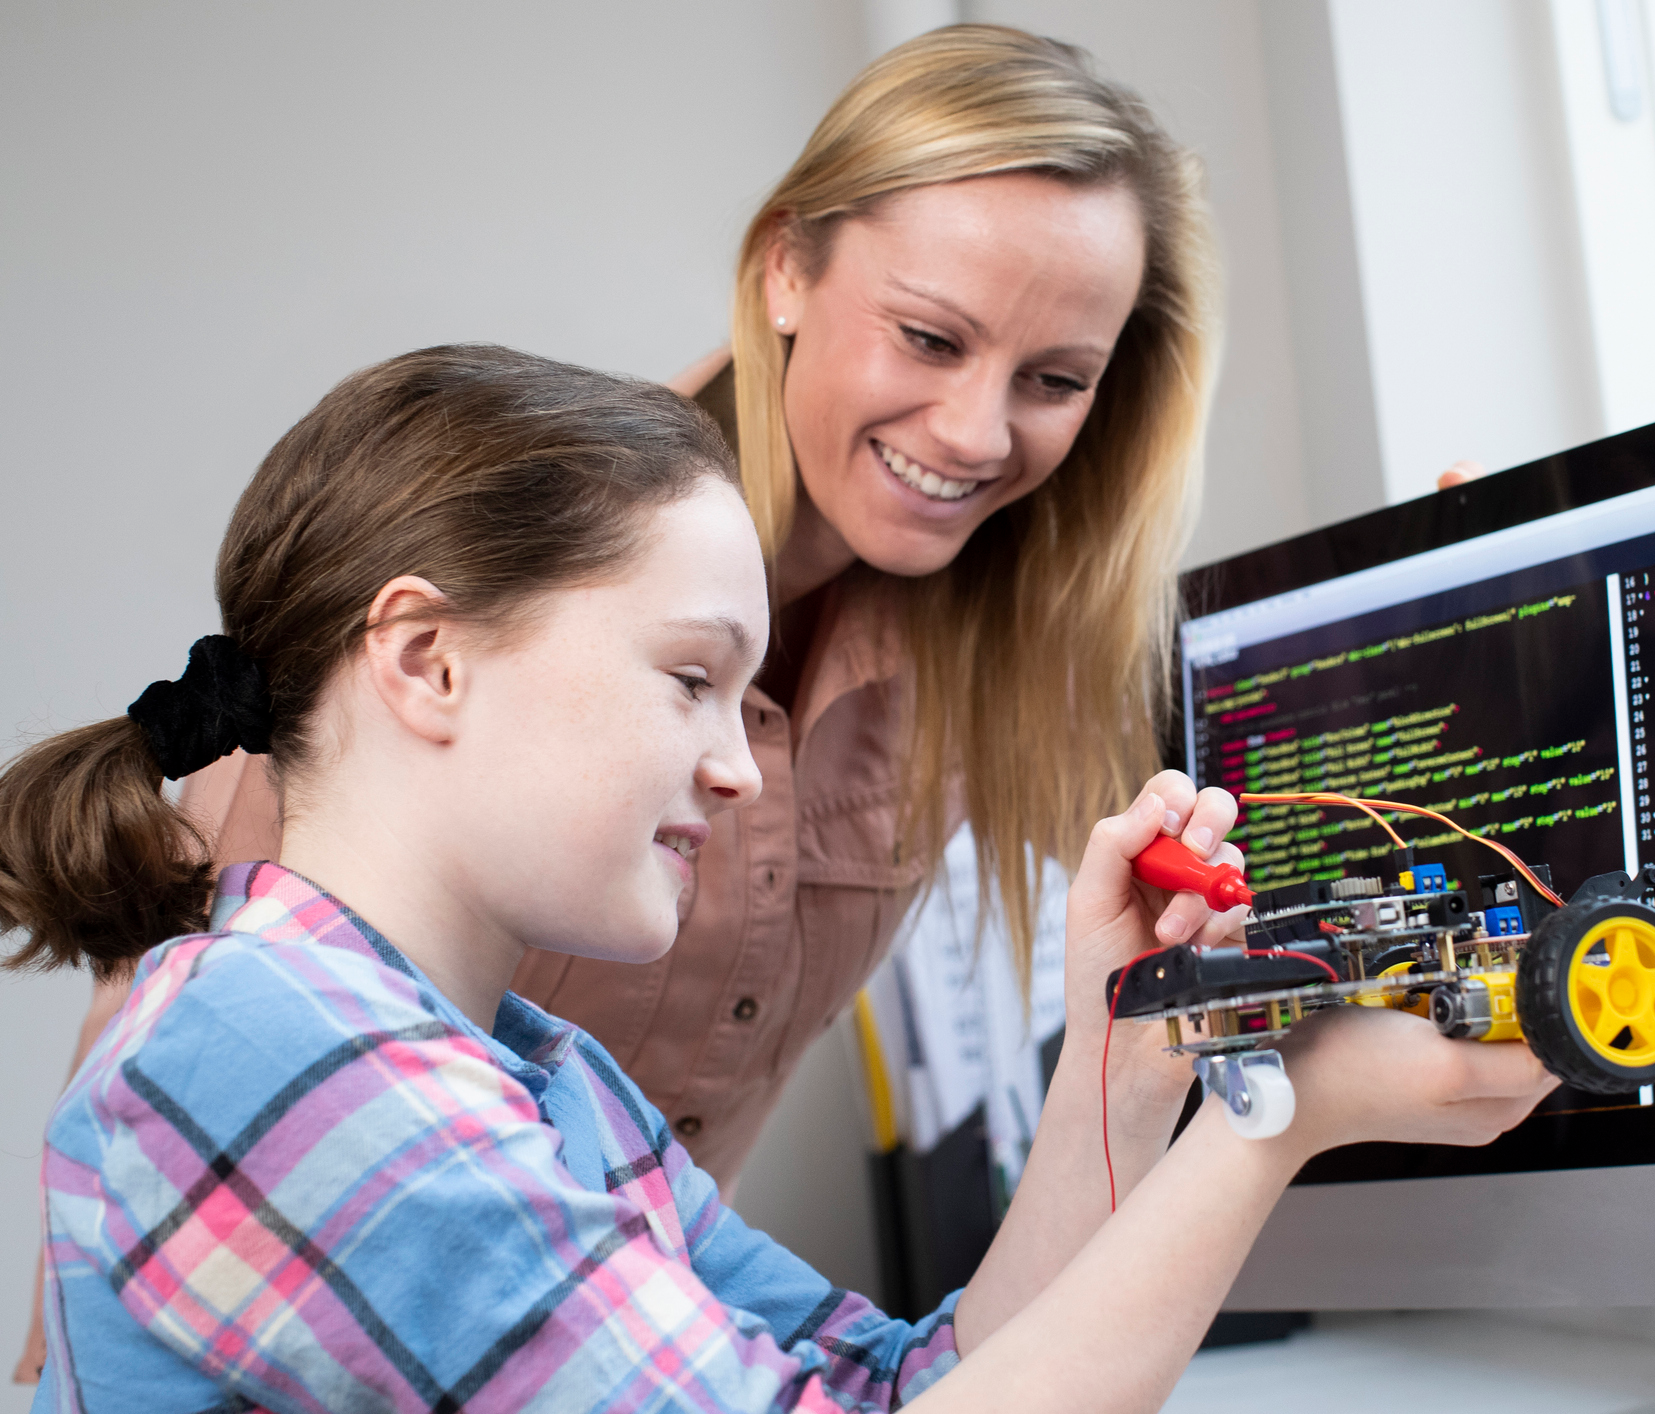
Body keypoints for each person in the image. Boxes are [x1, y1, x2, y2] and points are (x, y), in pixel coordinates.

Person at [12, 24, 1492, 1382]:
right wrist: (1274, 1129)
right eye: (929, 336)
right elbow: (207, 1109)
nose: (978, 429)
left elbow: (909, 1383)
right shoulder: (286, 1034)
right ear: (787, 267)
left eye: (1053, 375)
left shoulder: (560, 1089)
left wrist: (1131, 1062)